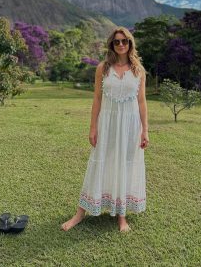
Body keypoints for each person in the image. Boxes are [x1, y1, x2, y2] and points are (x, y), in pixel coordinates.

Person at [61, 26, 149, 233]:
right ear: (112, 44)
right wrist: (93, 127)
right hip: (107, 123)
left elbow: (142, 102)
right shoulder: (103, 68)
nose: (120, 45)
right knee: (98, 163)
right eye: (117, 41)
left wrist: (145, 130)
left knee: (125, 166)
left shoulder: (139, 70)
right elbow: (97, 99)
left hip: (130, 125)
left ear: (130, 44)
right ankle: (79, 214)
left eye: (124, 41)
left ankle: (122, 216)